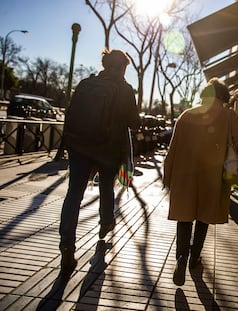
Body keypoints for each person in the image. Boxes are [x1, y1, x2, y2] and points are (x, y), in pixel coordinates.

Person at [163, 77, 238, 286]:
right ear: (223, 97)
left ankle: (181, 258)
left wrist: (168, 177)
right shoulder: (230, 116)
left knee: (184, 218)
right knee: (203, 217)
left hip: (184, 176)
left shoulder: (186, 115)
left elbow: (172, 149)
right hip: (213, 178)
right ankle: (195, 257)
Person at [59, 49, 141, 274]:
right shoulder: (125, 89)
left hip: (79, 146)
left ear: (104, 64)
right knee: (106, 187)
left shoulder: (86, 83)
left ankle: (66, 244)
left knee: (73, 194)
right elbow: (134, 123)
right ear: (123, 67)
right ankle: (106, 222)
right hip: (108, 148)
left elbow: (71, 114)